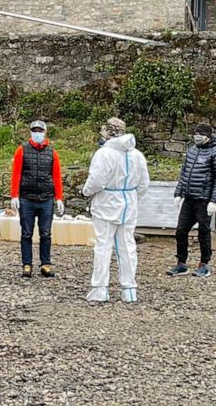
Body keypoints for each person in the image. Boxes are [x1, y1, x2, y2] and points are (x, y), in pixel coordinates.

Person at [82, 117, 149, 303]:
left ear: (108, 131)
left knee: (103, 245)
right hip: (129, 203)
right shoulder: (136, 155)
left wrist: (86, 192)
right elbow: (144, 184)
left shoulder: (104, 154)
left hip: (107, 202)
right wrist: (133, 197)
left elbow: (96, 181)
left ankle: (100, 289)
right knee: (127, 246)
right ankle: (129, 290)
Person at [168, 123, 216, 279]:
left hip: (204, 199)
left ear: (208, 137)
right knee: (181, 230)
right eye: (195, 134)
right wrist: (178, 193)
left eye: (200, 135)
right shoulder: (192, 150)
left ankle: (204, 264)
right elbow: (184, 174)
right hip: (189, 198)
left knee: (204, 232)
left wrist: (214, 200)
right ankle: (181, 263)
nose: (197, 137)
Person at [10, 120, 64, 278]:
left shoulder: (52, 152)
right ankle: (27, 264)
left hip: (46, 198)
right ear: (31, 132)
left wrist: (59, 197)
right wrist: (14, 195)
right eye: (34, 130)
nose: (37, 132)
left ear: (45, 132)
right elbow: (16, 174)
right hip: (27, 197)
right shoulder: (22, 150)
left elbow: (56, 176)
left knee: (45, 233)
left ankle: (45, 264)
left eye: (40, 130)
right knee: (26, 233)